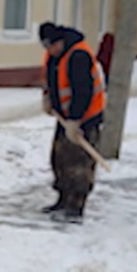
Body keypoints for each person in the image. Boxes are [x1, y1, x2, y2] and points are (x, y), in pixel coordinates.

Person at [39, 22, 107, 223]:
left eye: (51, 46)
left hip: (85, 118)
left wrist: (76, 120)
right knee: (60, 158)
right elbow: (50, 80)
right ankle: (62, 199)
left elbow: (83, 92)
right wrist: (47, 97)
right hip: (65, 117)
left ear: (60, 41)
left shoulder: (78, 56)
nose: (49, 51)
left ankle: (76, 205)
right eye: (46, 47)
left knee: (78, 163)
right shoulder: (53, 56)